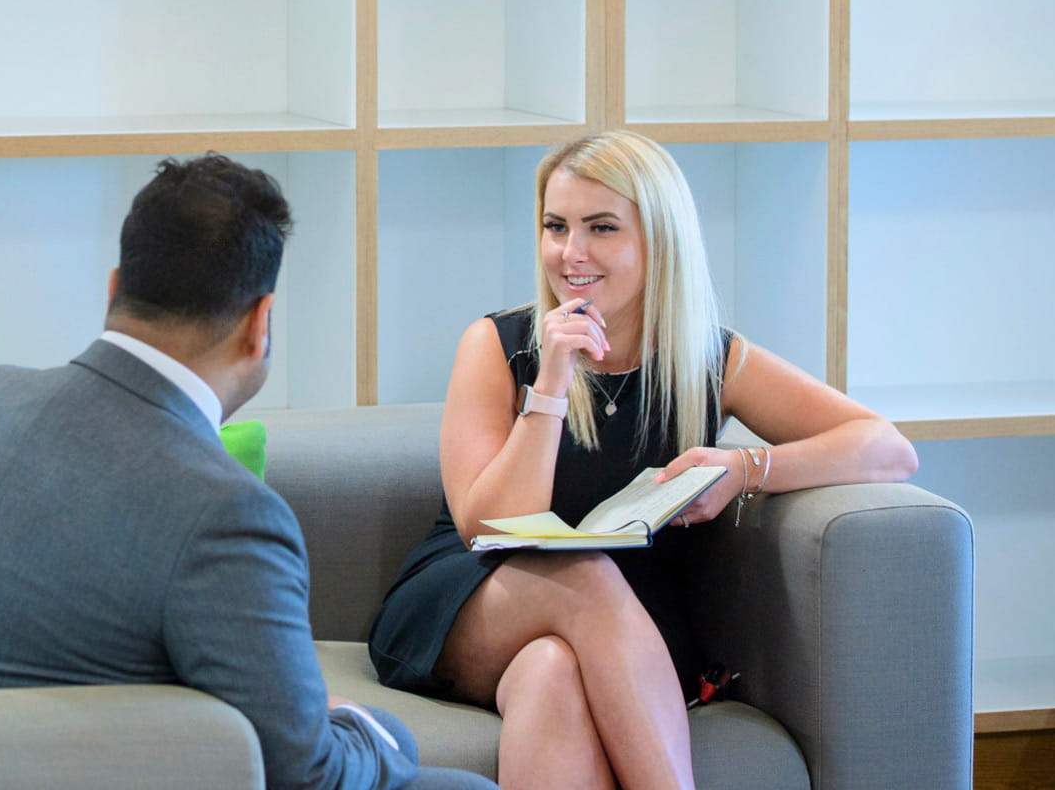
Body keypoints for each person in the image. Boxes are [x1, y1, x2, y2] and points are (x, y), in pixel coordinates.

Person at [0, 155, 495, 790]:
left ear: (113, 289)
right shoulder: (228, 513)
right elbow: (308, 773)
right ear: (259, 323)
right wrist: (379, 729)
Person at [367, 130, 918, 790]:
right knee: (587, 576)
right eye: (555, 226)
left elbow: (887, 448)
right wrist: (549, 384)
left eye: (602, 228)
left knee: (551, 673)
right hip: (475, 594)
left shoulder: (707, 358)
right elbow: (490, 529)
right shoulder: (498, 346)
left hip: (627, 626)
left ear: (659, 240)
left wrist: (743, 471)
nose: (572, 253)